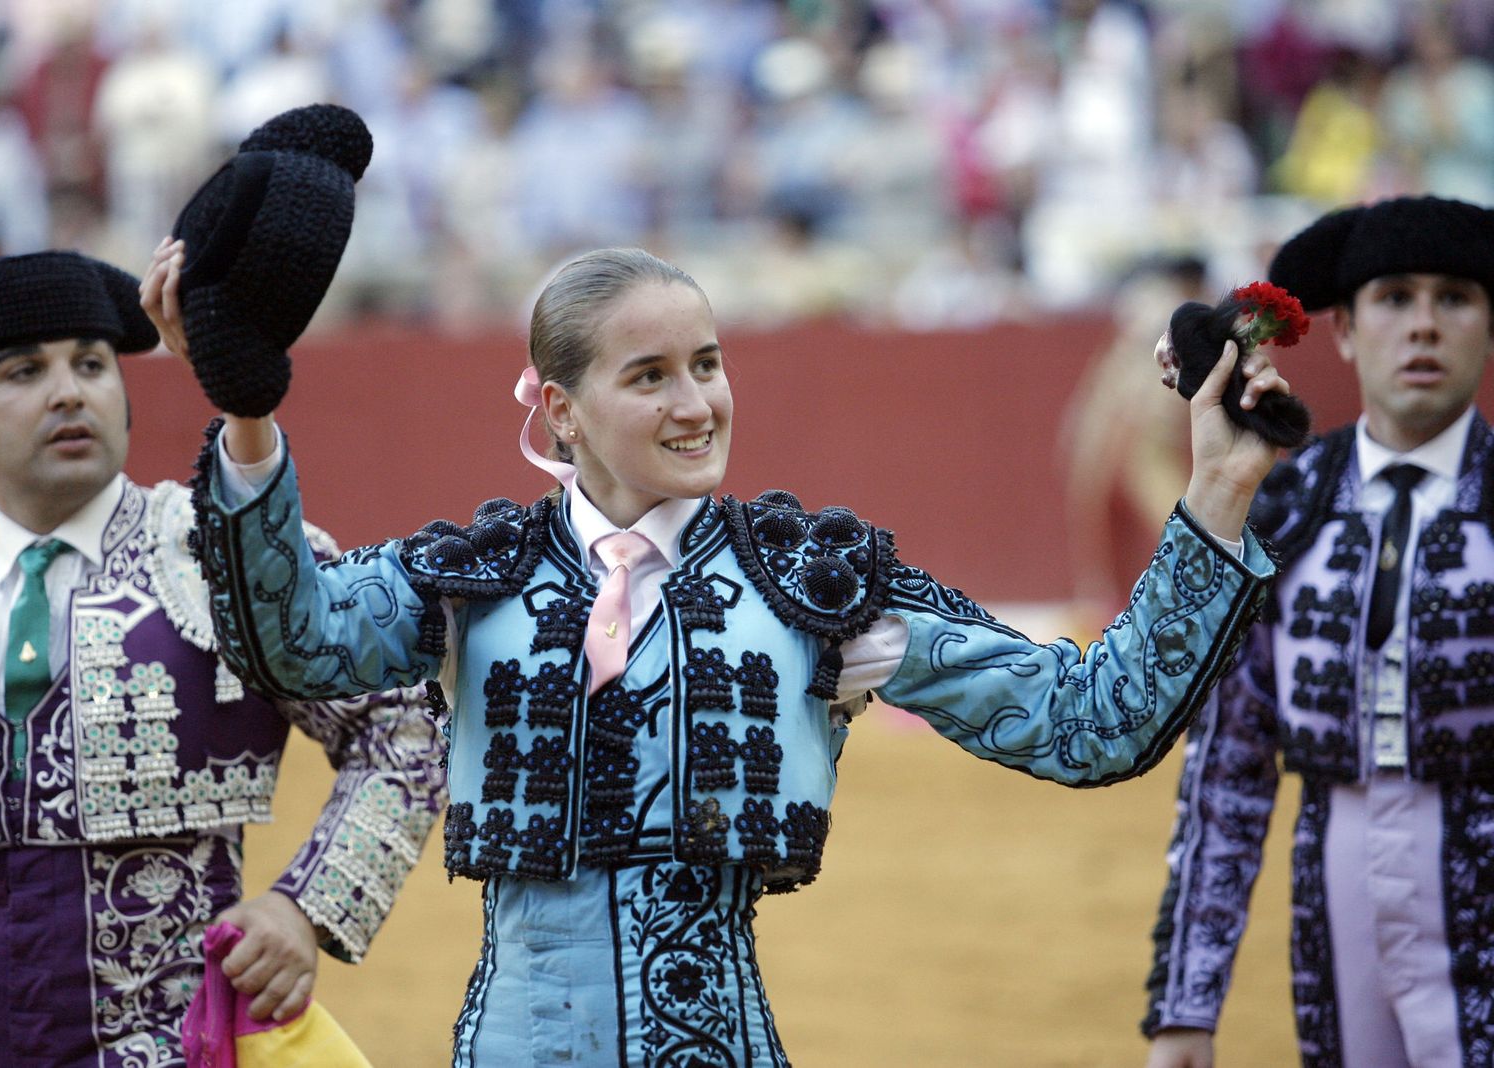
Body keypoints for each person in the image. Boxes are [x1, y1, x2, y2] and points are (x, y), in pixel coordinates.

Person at [144, 237, 1286, 1064]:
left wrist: (1219, 492)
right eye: (649, 376)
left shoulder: (813, 587)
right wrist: (248, 420)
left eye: (706, 363)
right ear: (562, 411)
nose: (695, 404)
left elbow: (1092, 723)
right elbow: (294, 643)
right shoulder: (472, 580)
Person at [0, 249, 448, 1066]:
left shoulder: (217, 559)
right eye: (24, 372)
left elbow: (406, 727)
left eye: (91, 365)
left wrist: (304, 906)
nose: (69, 392)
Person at [1142, 195, 1494, 1067]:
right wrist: (1186, 1003)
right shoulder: (1288, 507)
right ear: (1344, 330)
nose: (1423, 325)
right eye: (1394, 297)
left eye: (1454, 299)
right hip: (1337, 882)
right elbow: (1228, 763)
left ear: (1489, 329)